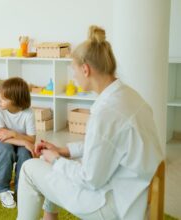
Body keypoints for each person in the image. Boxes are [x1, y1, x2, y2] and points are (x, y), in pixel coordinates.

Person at [17, 26, 164, 220]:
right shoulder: (129, 96)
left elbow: (90, 179)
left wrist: (55, 159)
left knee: (30, 168)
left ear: (85, 69)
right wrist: (64, 151)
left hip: (113, 205)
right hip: (134, 192)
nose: (74, 77)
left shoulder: (105, 113)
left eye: (74, 71)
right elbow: (105, 145)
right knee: (59, 164)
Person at [0, 77, 36, 209]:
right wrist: (23, 141)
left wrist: (14, 134)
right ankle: (2, 189)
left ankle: (21, 189)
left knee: (25, 153)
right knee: (6, 150)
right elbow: (0, 135)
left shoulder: (28, 113)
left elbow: (31, 140)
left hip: (18, 139)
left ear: (16, 100)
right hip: (2, 140)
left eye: (4, 98)